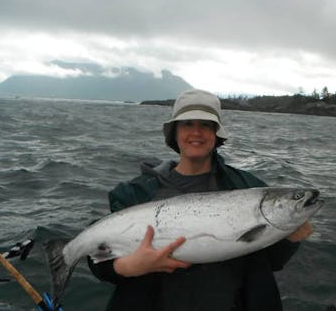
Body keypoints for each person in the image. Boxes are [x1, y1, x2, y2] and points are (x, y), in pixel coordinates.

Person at [88, 89, 313, 311]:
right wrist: (127, 267)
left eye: (205, 124)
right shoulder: (134, 193)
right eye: (187, 124)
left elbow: (270, 262)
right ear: (174, 133)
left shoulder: (249, 189)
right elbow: (96, 254)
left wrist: (289, 240)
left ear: (216, 134)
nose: (196, 132)